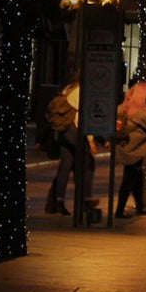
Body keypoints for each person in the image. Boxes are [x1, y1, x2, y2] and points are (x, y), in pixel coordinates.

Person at [45, 76, 96, 216]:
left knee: (65, 167)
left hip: (64, 131)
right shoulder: (81, 91)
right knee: (88, 165)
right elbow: (82, 117)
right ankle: (86, 200)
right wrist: (91, 141)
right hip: (74, 131)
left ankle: (58, 202)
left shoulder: (69, 89)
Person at [115, 81, 146, 218]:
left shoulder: (124, 109)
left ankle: (140, 206)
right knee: (129, 180)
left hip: (130, 149)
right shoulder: (142, 113)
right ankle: (119, 210)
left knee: (137, 177)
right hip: (133, 151)